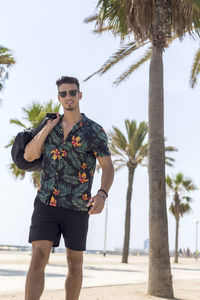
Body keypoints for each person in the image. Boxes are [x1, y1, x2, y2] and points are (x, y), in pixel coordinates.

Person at [23, 76, 114, 300]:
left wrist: (102, 194)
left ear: (79, 95)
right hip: (47, 201)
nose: (68, 97)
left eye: (72, 93)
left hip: (77, 204)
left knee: (74, 263)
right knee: (38, 256)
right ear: (59, 98)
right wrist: (47, 128)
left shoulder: (93, 130)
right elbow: (30, 155)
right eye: (63, 94)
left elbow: (107, 166)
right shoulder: (49, 126)